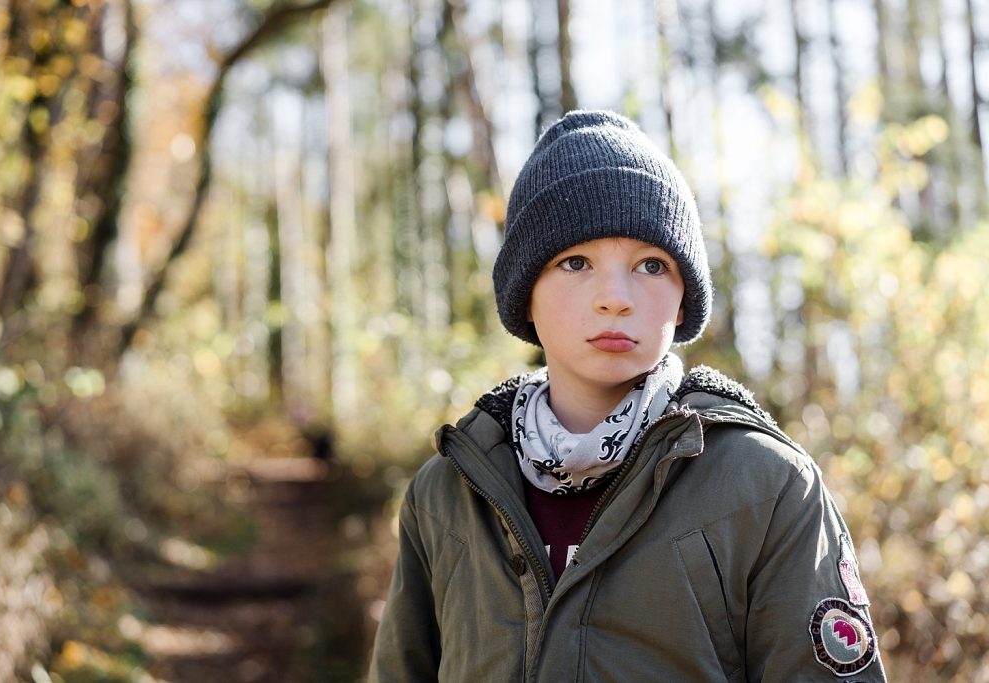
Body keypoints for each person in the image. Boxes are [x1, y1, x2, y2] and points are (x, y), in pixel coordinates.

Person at [368, 110, 886, 681]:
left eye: (650, 265)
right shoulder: (446, 494)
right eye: (575, 262)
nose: (614, 297)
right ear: (525, 295)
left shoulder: (766, 484)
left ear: (684, 299)